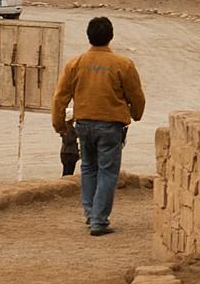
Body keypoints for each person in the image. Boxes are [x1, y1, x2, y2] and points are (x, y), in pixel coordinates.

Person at [51, 17, 145, 236]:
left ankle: (90, 213)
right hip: (111, 126)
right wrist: (136, 114)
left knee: (88, 167)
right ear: (110, 36)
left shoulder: (75, 64)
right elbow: (136, 96)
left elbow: (60, 97)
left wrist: (59, 124)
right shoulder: (124, 64)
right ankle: (99, 221)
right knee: (107, 172)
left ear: (88, 36)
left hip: (83, 124)